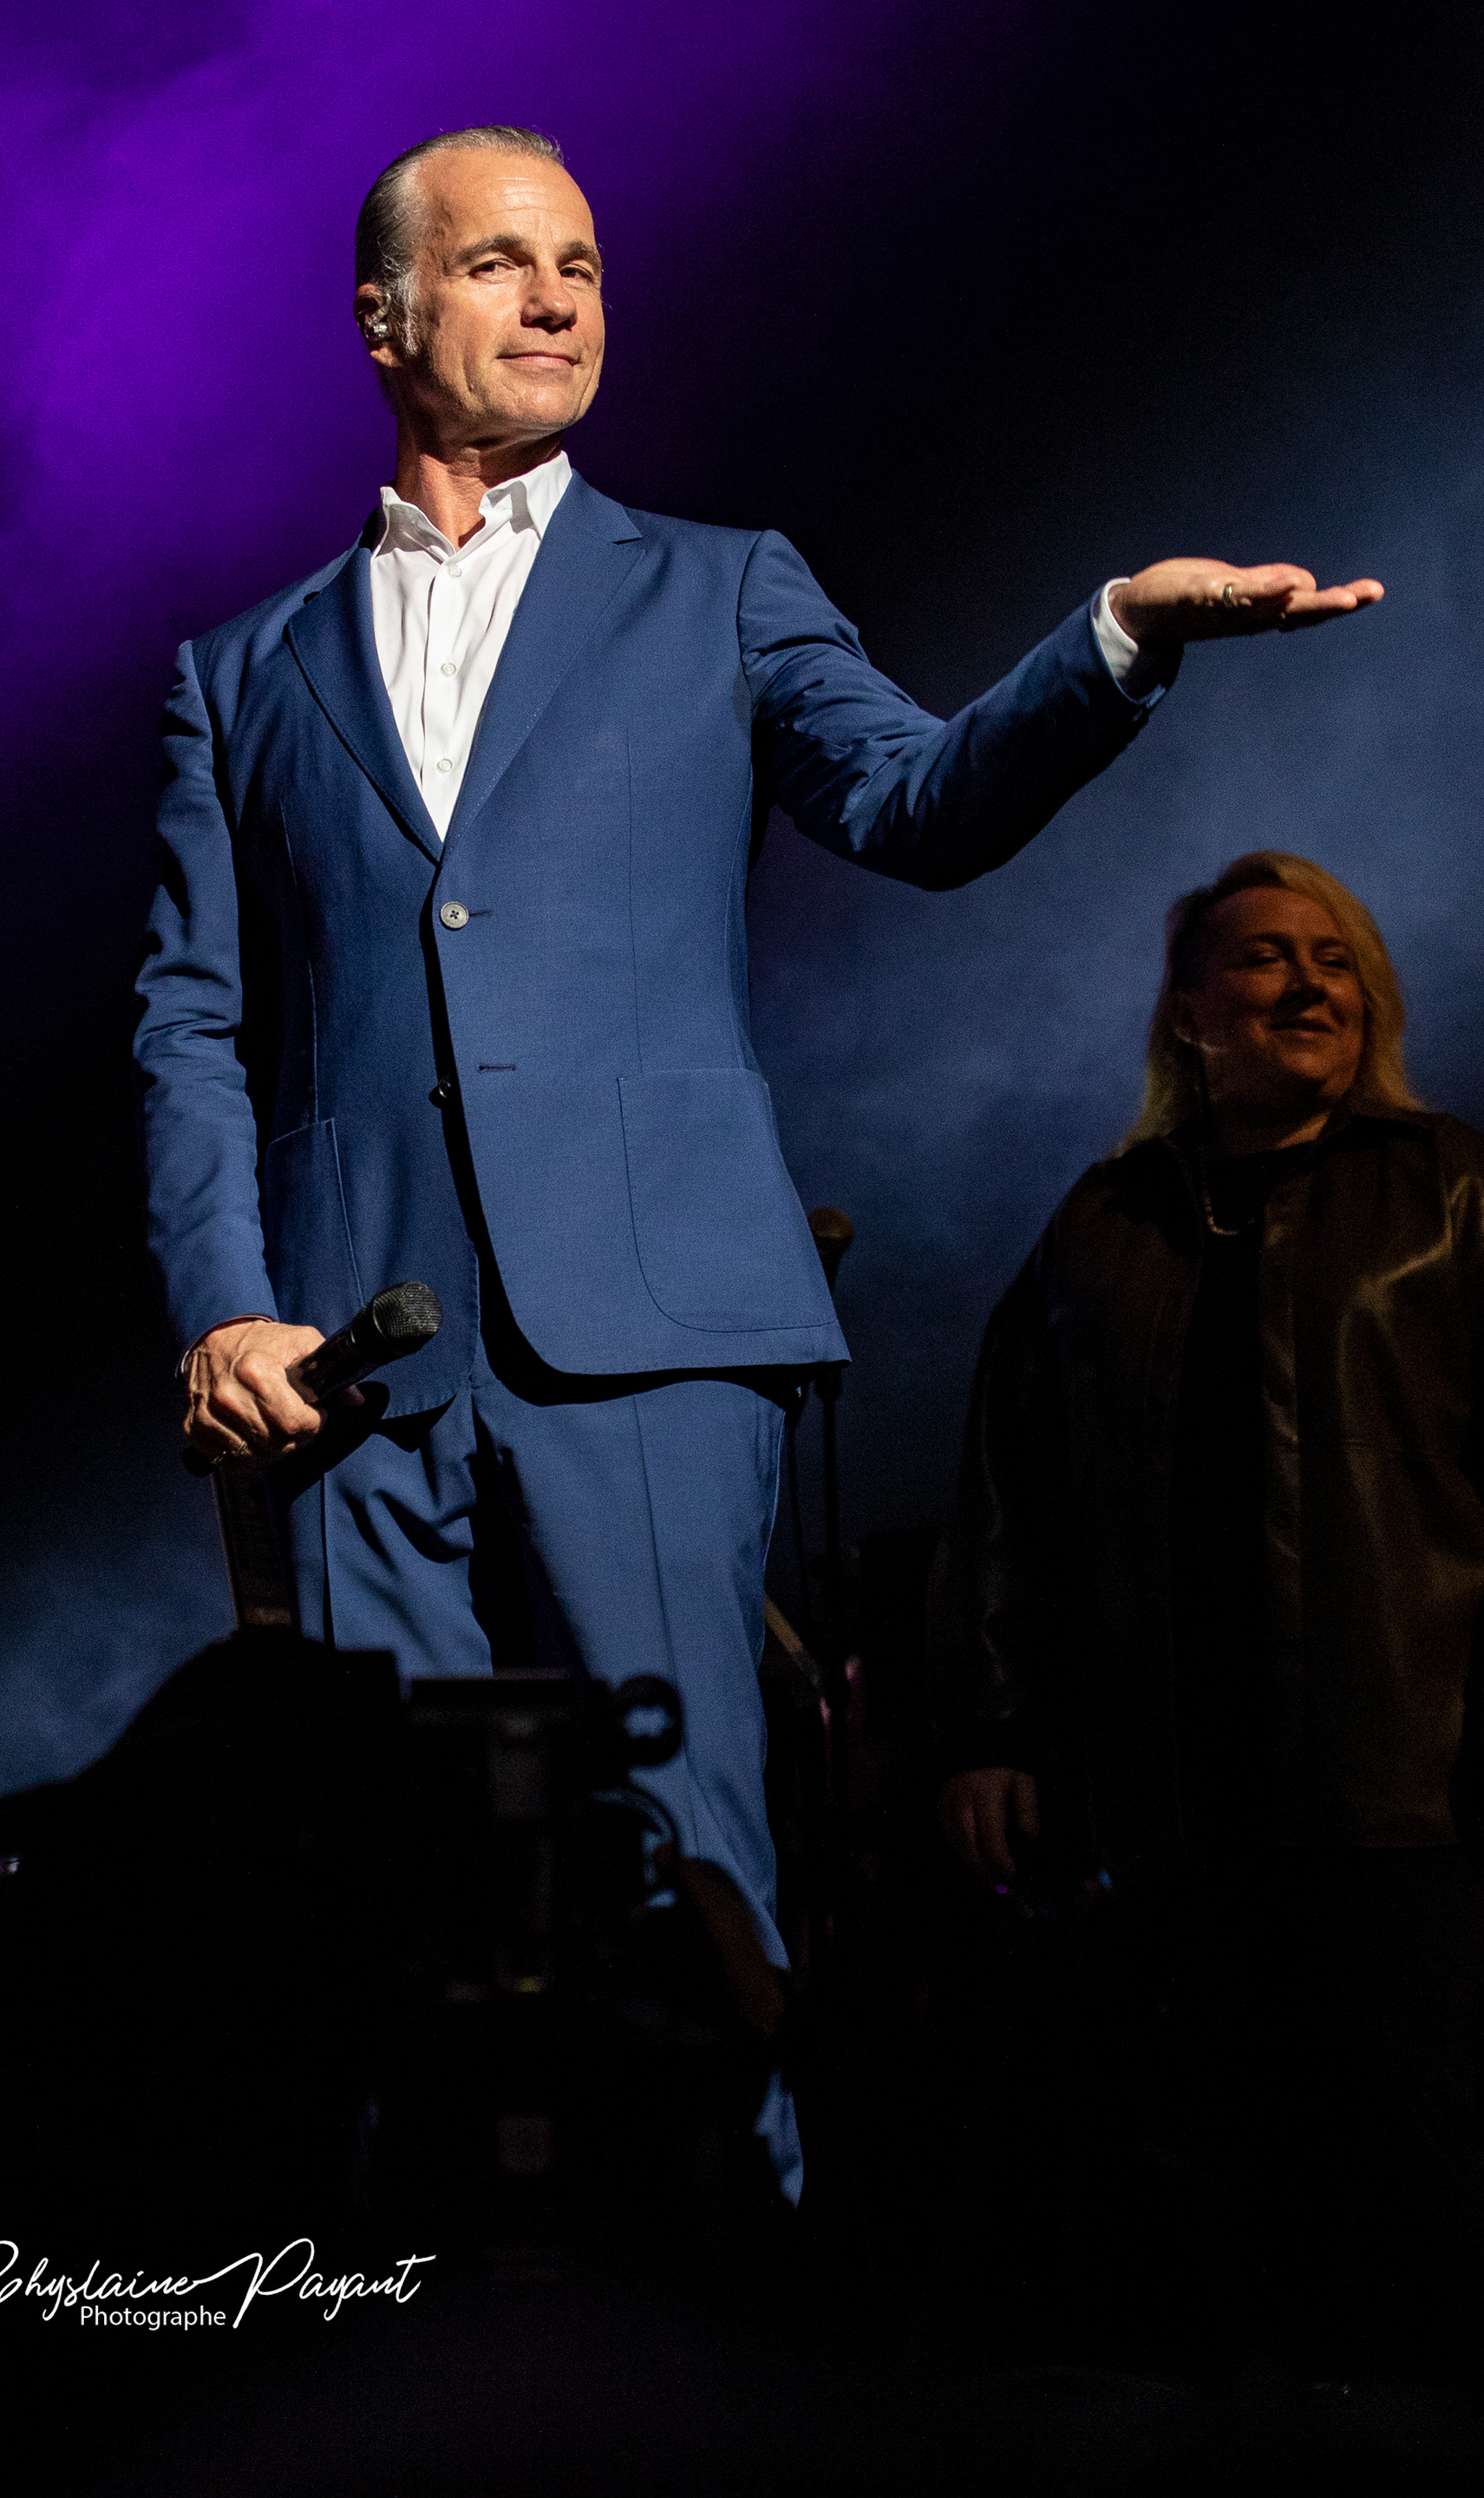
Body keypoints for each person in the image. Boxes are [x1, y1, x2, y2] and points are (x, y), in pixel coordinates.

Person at [134, 123, 1380, 2196]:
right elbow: (193, 1020)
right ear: (384, 316)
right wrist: (224, 1310)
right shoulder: (242, 671)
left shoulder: (716, 586)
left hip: (646, 1339)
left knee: (679, 1846)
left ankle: (727, 2262)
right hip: (354, 1365)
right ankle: (427, 2308)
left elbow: (916, 804)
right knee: (393, 1885)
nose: (558, 297)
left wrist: (1115, 641)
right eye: (500, 261)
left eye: (582, 263)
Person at [933, 851, 1484, 2368]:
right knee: (1201, 2179)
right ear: (1187, 1014)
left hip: (1405, 1791)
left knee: (1417, 2164)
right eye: (1264, 957)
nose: (1308, 983)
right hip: (1166, 1799)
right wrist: (989, 1730)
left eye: (1334, 958)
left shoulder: (1450, 1188)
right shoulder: (1105, 1219)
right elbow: (1005, 1486)